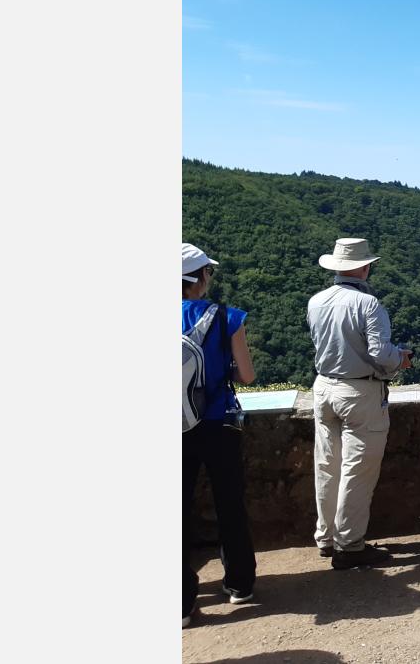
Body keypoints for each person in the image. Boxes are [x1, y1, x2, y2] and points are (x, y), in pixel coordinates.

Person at [307, 237, 413, 569]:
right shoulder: (369, 305)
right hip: (359, 393)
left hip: (323, 388)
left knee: (327, 465)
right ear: (365, 267)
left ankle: (325, 537)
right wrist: (402, 359)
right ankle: (349, 545)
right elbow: (381, 354)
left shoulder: (316, 301)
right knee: (357, 470)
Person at [182, 242, 257, 626]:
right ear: (200, 278)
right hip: (217, 422)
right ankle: (240, 586)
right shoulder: (227, 317)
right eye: (207, 271)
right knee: (230, 503)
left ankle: (179, 603)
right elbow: (247, 375)